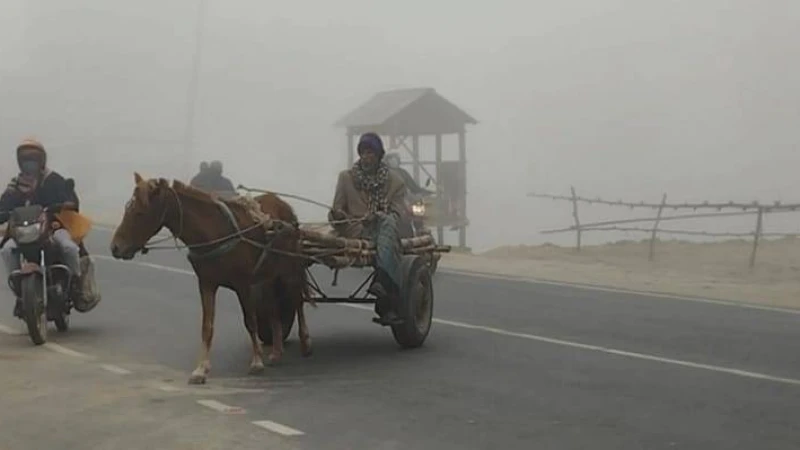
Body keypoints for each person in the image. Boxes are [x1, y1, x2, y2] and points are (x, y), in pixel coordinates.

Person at [328, 133, 407, 325]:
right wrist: (337, 216)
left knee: (387, 222)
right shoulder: (346, 178)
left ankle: (381, 281)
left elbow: (398, 215)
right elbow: (335, 213)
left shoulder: (396, 182)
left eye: (370, 153)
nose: (366, 157)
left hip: (382, 231)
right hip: (354, 231)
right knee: (387, 226)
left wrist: (378, 216)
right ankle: (383, 283)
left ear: (379, 156)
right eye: (363, 152)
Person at [0, 139, 83, 317]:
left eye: (33, 159)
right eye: (25, 159)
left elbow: (71, 200)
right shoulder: (14, 185)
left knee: (69, 247)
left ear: (41, 160)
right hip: (24, 232)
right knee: (7, 250)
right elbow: (4, 206)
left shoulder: (53, 180)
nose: (29, 163)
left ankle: (76, 284)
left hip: (53, 228)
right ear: (20, 162)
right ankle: (20, 292)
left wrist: (64, 204)